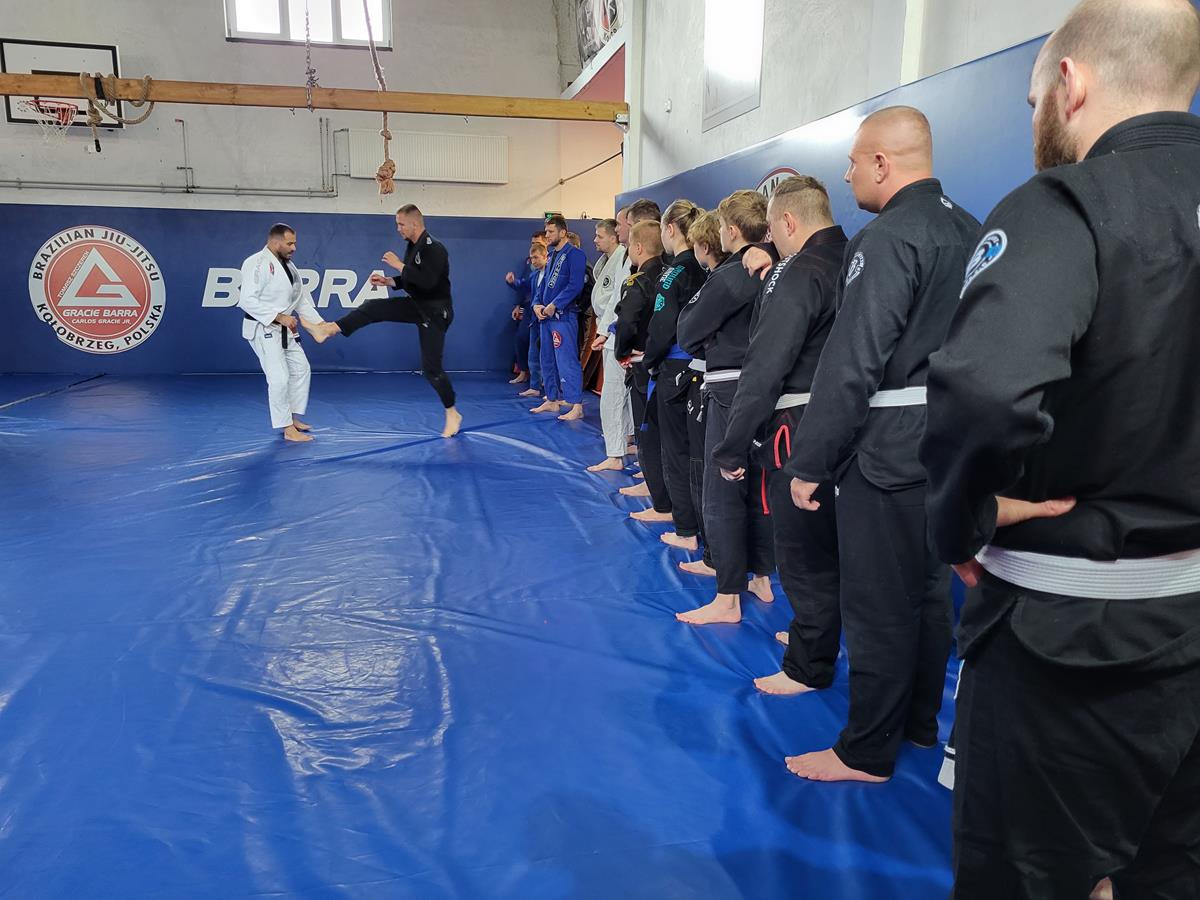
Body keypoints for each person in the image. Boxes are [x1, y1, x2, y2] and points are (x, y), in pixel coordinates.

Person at [919, 1, 1200, 894]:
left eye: (1033, 98)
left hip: (1071, 642)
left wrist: (960, 520)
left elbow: (984, 392)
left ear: (1070, 84)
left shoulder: (1066, 203)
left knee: (1027, 875)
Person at [778, 107, 979, 783]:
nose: (847, 174)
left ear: (883, 163)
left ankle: (865, 751)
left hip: (887, 450)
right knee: (927, 591)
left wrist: (811, 460)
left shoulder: (888, 237)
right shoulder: (971, 228)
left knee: (877, 603)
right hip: (949, 445)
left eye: (854, 161)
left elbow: (854, 360)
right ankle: (918, 723)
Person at [721, 176, 847, 694]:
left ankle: (808, 665)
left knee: (802, 549)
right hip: (863, 422)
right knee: (839, 544)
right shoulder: (858, 258)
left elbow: (766, 366)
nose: (771, 239)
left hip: (800, 426)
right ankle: (817, 635)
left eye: (773, 229)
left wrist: (732, 444)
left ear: (789, 222)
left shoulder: (798, 272)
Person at [675, 190, 776, 624]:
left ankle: (727, 596)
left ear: (731, 231)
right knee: (759, 485)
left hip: (729, 388)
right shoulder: (779, 266)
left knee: (722, 489)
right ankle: (761, 576)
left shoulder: (732, 274)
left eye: (719, 227)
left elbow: (686, 331)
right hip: (771, 387)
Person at [311, 204, 462, 439]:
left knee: (431, 369)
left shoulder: (435, 248)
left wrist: (398, 265)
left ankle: (452, 412)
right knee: (373, 307)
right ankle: (331, 329)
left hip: (436, 312)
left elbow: (428, 281)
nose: (398, 229)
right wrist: (389, 281)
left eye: (401, 224)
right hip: (418, 305)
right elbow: (411, 280)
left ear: (414, 223)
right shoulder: (412, 246)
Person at [644, 200, 707, 550]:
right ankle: (700, 525)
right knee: (697, 451)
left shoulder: (673, 274)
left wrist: (650, 360)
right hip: (703, 368)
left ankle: (686, 528)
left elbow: (662, 326)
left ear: (669, 229)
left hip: (675, 367)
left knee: (675, 450)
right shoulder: (707, 266)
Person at [676, 212, 729, 578]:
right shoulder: (746, 273)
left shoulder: (723, 280)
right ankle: (756, 572)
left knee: (708, 469)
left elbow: (689, 331)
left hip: (718, 381)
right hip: (731, 379)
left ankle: (714, 556)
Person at [238, 223, 325, 443]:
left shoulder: (289, 266)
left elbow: (300, 300)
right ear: (275, 242)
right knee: (279, 378)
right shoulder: (256, 263)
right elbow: (246, 300)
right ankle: (287, 428)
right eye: (290, 243)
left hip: (284, 329)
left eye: (294, 243)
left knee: (301, 369)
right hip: (263, 328)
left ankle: (292, 418)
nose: (294, 248)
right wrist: (278, 317)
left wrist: (321, 324)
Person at [611, 220, 670, 520]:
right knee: (663, 431)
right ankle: (656, 486)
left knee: (646, 431)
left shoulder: (639, 281)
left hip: (642, 364)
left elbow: (627, 322)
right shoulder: (671, 275)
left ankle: (659, 497)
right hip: (668, 361)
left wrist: (621, 351)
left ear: (637, 247)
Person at [587, 218, 634, 472]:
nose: (618, 228)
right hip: (614, 329)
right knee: (621, 395)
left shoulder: (628, 257)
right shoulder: (622, 257)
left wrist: (607, 329)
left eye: (623, 224)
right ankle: (625, 440)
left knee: (614, 395)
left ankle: (616, 453)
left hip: (620, 331)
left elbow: (619, 298)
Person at [531, 215, 588, 422]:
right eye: (546, 231)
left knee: (566, 361)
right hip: (545, 318)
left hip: (563, 316)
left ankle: (576, 404)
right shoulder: (551, 255)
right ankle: (552, 399)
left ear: (563, 232)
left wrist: (555, 305)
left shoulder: (575, 255)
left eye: (551, 232)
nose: (547, 235)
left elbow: (575, 285)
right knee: (546, 359)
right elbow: (543, 286)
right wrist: (536, 304)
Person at [505, 231, 548, 386]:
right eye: (532, 257)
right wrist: (513, 282)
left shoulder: (552, 269)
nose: (533, 260)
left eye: (536, 257)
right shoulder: (533, 271)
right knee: (523, 339)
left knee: (544, 346)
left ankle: (546, 380)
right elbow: (524, 285)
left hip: (546, 312)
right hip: (531, 310)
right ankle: (527, 376)